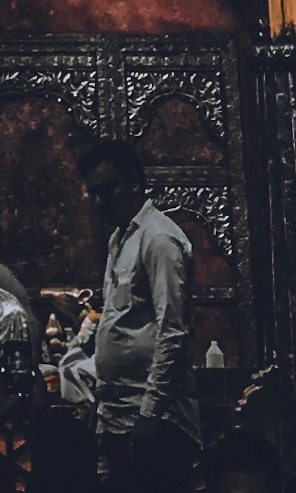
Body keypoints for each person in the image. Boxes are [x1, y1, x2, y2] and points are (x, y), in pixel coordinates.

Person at [74, 133, 198, 479]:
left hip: (153, 419)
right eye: (93, 193)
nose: (99, 201)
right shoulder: (120, 238)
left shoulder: (158, 239)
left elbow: (173, 331)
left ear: (134, 183)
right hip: (118, 415)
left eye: (107, 190)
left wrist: (149, 414)